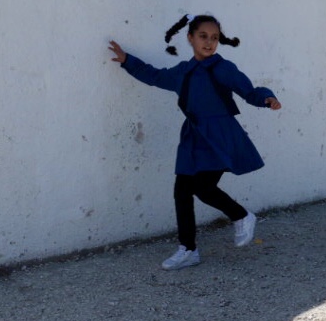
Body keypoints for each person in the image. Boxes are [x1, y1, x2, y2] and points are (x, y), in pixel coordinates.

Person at [108, 14, 281, 270]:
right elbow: (155, 76)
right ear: (190, 38)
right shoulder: (183, 72)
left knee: (203, 187)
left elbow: (249, 91)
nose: (209, 43)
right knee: (182, 192)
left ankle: (242, 216)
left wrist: (267, 98)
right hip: (193, 137)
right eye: (203, 36)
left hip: (220, 136)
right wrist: (127, 61)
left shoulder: (223, 68)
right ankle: (188, 250)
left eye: (214, 38)